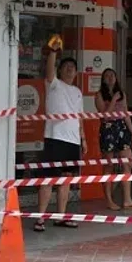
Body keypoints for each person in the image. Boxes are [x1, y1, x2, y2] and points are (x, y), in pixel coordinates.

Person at [33, 35, 86, 232]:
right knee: (48, 180)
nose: (70, 69)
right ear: (60, 70)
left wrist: (83, 139)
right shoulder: (53, 84)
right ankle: (40, 219)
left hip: (73, 142)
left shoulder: (78, 92)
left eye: (73, 67)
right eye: (66, 67)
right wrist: (54, 52)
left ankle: (61, 217)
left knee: (65, 181)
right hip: (55, 138)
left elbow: (80, 117)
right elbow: (49, 70)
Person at [94, 68, 132, 210]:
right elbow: (104, 116)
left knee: (127, 163)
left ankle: (127, 199)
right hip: (108, 129)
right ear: (103, 79)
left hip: (122, 128)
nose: (110, 78)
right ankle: (109, 200)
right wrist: (113, 100)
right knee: (108, 165)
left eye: (112, 75)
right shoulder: (99, 95)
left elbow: (126, 114)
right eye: (107, 76)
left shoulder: (122, 94)